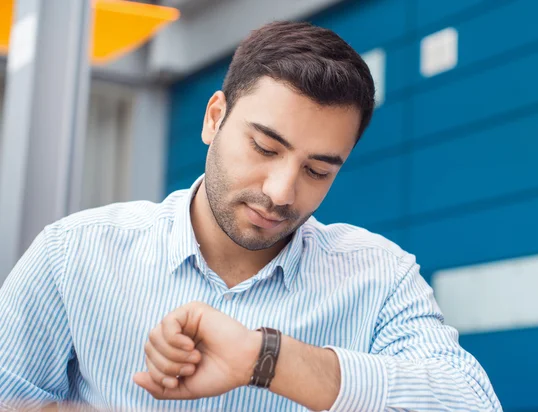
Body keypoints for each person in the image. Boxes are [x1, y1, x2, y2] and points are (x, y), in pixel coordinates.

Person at [0, 20, 501, 411]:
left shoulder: (379, 275)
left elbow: (472, 403)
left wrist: (268, 360)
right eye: (265, 147)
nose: (281, 192)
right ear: (213, 117)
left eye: (318, 170)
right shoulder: (73, 254)